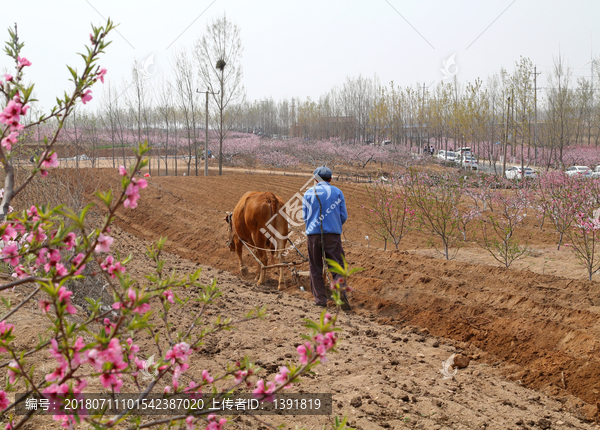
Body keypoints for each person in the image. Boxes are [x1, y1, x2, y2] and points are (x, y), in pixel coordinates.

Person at [302, 166, 351, 310]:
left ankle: (320, 300)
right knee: (337, 267)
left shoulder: (308, 193)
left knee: (315, 267)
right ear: (330, 179)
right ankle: (340, 296)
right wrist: (334, 226)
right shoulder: (337, 192)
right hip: (332, 236)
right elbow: (344, 216)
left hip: (313, 236)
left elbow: (305, 217)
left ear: (316, 179)